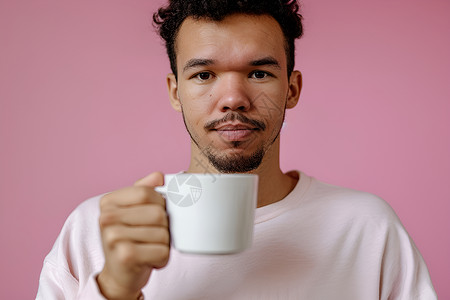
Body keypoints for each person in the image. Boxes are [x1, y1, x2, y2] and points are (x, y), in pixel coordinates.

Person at [37, 0, 437, 299]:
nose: (233, 98)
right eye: (204, 74)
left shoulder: (368, 228)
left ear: (292, 89)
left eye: (259, 73)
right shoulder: (98, 229)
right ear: (176, 92)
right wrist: (115, 288)